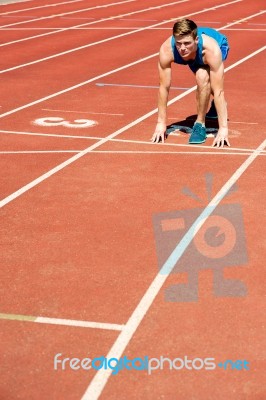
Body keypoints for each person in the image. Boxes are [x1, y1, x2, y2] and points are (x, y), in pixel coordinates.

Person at [151, 19, 230, 147]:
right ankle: (216, 107)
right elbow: (163, 87)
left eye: (187, 43)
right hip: (193, 56)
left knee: (203, 77)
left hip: (217, 45)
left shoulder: (211, 50)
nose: (182, 48)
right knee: (205, 83)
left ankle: (200, 124)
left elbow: (219, 90)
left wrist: (223, 128)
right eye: (179, 43)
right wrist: (161, 123)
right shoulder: (167, 50)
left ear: (196, 40)